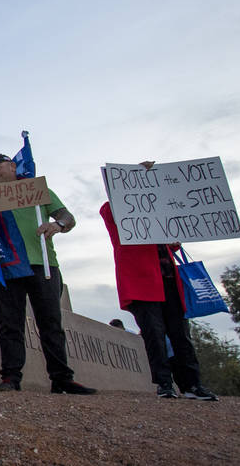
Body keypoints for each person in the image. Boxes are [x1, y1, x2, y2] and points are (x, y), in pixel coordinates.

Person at [0, 153, 96, 395]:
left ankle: (61, 378)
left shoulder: (36, 190)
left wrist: (56, 225)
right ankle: (10, 376)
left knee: (51, 322)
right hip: (7, 266)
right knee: (10, 324)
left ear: (12, 166)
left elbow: (67, 217)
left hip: (43, 264)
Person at [100, 165, 219, 400]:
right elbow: (109, 209)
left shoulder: (161, 213)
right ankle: (164, 383)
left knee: (181, 335)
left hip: (169, 282)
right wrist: (131, 179)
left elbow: (173, 242)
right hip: (141, 284)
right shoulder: (115, 212)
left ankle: (191, 384)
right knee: (154, 335)